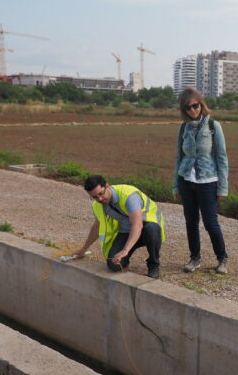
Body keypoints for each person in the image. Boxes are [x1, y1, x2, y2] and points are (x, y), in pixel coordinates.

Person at [173, 88, 229, 274]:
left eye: (195, 106)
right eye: (187, 108)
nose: (192, 110)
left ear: (201, 105)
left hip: (208, 182)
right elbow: (178, 158)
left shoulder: (213, 126)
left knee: (210, 223)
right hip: (186, 181)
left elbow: (222, 158)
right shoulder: (183, 128)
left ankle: (222, 259)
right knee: (191, 222)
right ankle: (194, 258)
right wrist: (176, 184)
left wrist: (223, 188)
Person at [74, 175, 165, 279]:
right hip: (126, 231)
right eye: (94, 197)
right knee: (114, 265)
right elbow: (96, 227)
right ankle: (125, 263)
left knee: (151, 229)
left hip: (145, 227)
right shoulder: (98, 205)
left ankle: (153, 265)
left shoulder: (129, 196)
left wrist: (125, 250)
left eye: (101, 193)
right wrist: (84, 249)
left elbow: (137, 224)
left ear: (107, 186)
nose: (99, 199)